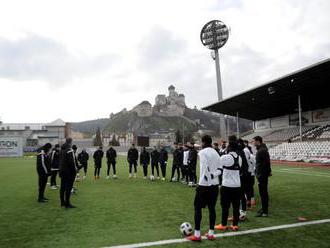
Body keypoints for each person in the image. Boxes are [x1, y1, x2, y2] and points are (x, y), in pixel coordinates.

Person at [187, 135, 222, 242]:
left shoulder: (202, 152)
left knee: (197, 208)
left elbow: (205, 169)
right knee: (212, 208)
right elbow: (220, 169)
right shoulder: (216, 153)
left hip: (204, 185)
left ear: (203, 142)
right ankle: (211, 233)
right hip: (214, 186)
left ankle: (197, 234)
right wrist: (213, 177)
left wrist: (207, 180)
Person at [215, 135, 242, 231]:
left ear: (229, 148)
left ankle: (223, 224)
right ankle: (235, 225)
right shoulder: (239, 158)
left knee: (225, 206)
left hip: (227, 186)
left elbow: (217, 164)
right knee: (236, 206)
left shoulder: (225, 157)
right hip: (237, 185)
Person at [253, 136, 271, 217]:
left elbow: (266, 163)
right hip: (262, 174)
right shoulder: (261, 149)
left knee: (263, 193)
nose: (253, 143)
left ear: (258, 141)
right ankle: (264, 209)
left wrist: (264, 173)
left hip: (262, 175)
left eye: (254, 141)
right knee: (263, 193)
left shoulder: (262, 150)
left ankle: (265, 211)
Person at [59, 138, 77, 208]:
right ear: (71, 142)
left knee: (62, 187)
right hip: (68, 172)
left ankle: (62, 202)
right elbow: (72, 162)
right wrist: (75, 171)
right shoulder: (70, 150)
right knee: (68, 188)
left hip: (62, 171)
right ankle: (67, 203)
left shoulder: (62, 150)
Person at [237, 138, 250, 220]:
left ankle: (242, 213)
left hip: (243, 176)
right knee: (240, 194)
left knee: (241, 194)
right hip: (243, 175)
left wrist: (241, 173)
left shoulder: (242, 151)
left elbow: (245, 164)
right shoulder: (241, 151)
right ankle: (240, 212)